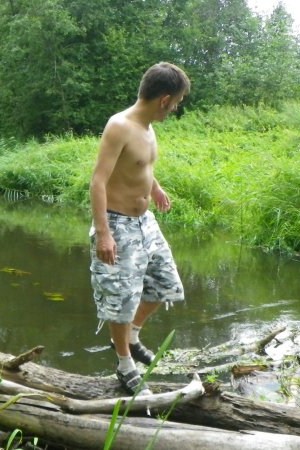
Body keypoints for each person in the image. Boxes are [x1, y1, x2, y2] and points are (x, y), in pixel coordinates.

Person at [88, 62, 188, 395]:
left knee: (166, 285)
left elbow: (139, 165)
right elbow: (98, 181)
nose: (175, 109)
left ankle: (131, 336)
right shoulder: (120, 126)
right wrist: (104, 233)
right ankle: (124, 364)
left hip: (146, 222)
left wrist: (154, 188)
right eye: (176, 103)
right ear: (164, 99)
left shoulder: (148, 127)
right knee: (121, 301)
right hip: (117, 223)